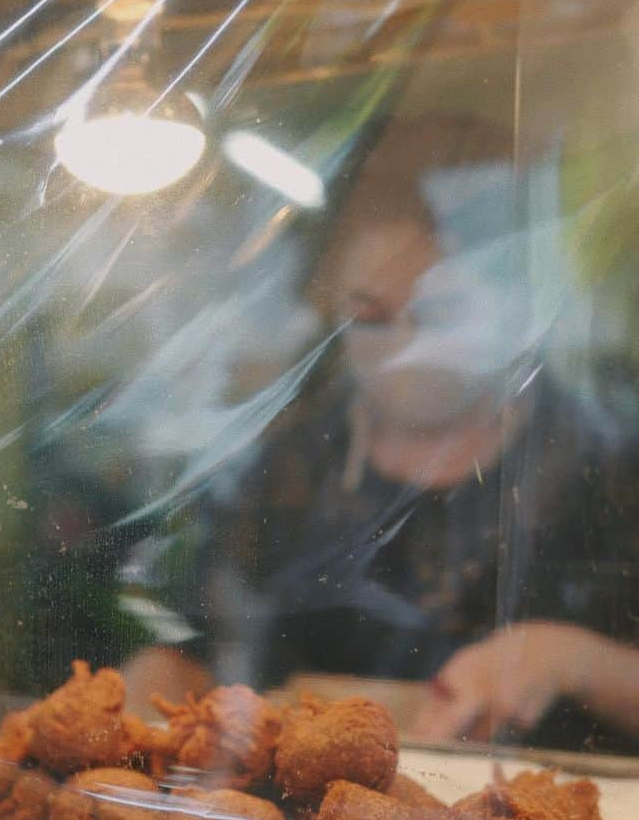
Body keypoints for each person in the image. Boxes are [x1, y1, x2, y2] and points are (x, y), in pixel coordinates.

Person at [124, 116, 639, 750]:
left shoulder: (607, 464)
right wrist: (166, 675)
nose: (403, 347)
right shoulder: (283, 473)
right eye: (370, 318)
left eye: (440, 315)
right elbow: (217, 648)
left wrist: (570, 659)